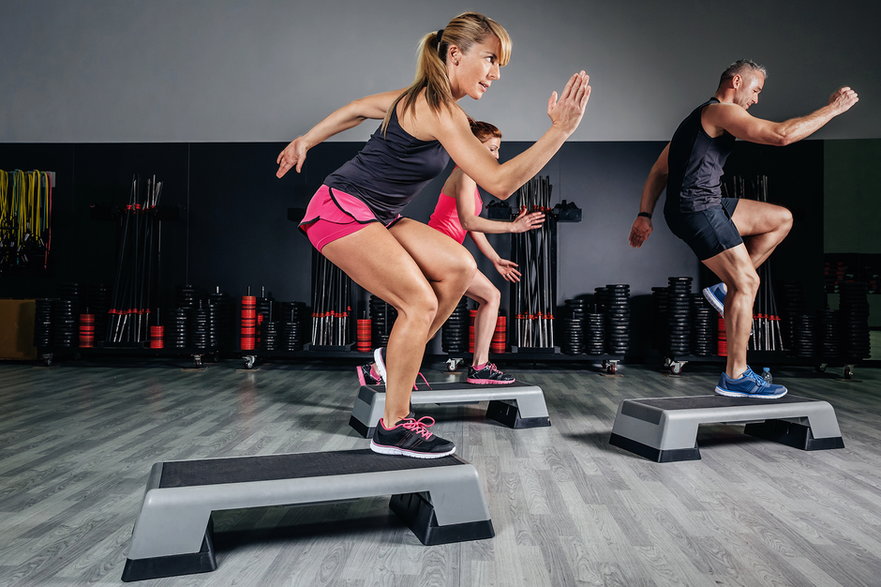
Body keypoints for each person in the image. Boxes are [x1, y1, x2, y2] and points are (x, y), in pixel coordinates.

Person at [277, 12, 591, 458]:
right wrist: (559, 132)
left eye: (500, 64)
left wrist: (308, 138)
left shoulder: (428, 102)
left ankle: (393, 360)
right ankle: (393, 426)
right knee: (419, 302)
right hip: (340, 210)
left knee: (460, 267)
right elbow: (499, 183)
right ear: (456, 54)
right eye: (489, 59)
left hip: (381, 214)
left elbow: (358, 108)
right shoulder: (440, 110)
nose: (496, 73)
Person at [628, 59, 858, 399]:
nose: (756, 99)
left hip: (705, 204)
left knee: (781, 218)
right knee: (748, 282)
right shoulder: (719, 112)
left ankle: (725, 290)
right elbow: (781, 136)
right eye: (756, 90)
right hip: (696, 209)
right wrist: (833, 109)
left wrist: (644, 214)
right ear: (736, 81)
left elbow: (659, 171)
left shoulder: (694, 121)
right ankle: (735, 375)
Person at [357, 119, 545, 388]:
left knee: (436, 315)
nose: (497, 155)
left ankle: (375, 369)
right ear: (472, 147)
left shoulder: (470, 177)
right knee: (488, 297)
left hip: (445, 253)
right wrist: (512, 227)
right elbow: (469, 221)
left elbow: (470, 227)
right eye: (491, 149)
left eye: (498, 149)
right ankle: (479, 367)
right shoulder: (465, 174)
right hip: (437, 252)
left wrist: (494, 258)